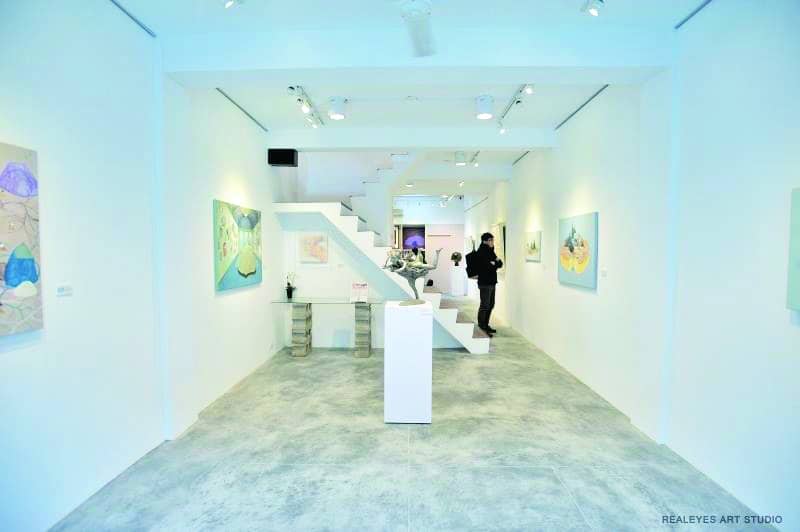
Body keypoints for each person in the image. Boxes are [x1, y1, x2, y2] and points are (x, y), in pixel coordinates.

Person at [475, 232, 502, 336]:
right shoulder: (481, 252)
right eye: (490, 240)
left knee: (491, 304)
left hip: (492, 282)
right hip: (485, 283)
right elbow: (487, 267)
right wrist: (494, 264)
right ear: (484, 241)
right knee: (485, 305)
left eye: (492, 240)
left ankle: (485, 325)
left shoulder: (491, 251)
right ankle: (481, 327)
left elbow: (500, 263)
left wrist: (494, 263)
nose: (492, 242)